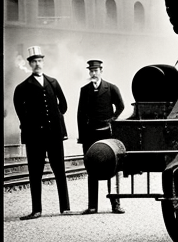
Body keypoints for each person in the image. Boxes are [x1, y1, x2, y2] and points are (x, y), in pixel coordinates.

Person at [13, 46, 71, 219]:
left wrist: (55, 117)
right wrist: (32, 125)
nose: (37, 64)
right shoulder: (23, 87)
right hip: (35, 138)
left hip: (54, 135)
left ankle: (65, 207)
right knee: (35, 173)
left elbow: (64, 106)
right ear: (30, 64)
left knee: (60, 170)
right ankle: (36, 209)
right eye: (34, 61)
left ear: (43, 62)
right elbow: (20, 112)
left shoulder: (53, 82)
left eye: (40, 61)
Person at [78, 59, 125, 214]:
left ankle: (115, 204)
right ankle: (92, 206)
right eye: (91, 71)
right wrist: (82, 136)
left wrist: (112, 120)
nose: (93, 73)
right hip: (90, 135)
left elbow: (121, 106)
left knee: (112, 167)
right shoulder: (84, 90)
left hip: (107, 134)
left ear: (101, 71)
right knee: (91, 169)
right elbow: (80, 115)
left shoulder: (111, 88)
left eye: (96, 70)